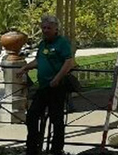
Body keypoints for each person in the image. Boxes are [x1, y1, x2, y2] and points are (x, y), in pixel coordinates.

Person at [17, 14, 74, 155]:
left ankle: (56, 149)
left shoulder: (62, 43)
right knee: (32, 115)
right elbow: (39, 60)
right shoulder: (43, 44)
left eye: (49, 28)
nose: (46, 30)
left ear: (56, 29)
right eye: (44, 28)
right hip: (43, 87)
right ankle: (33, 146)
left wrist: (57, 78)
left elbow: (69, 62)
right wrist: (25, 68)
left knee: (56, 119)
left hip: (57, 87)